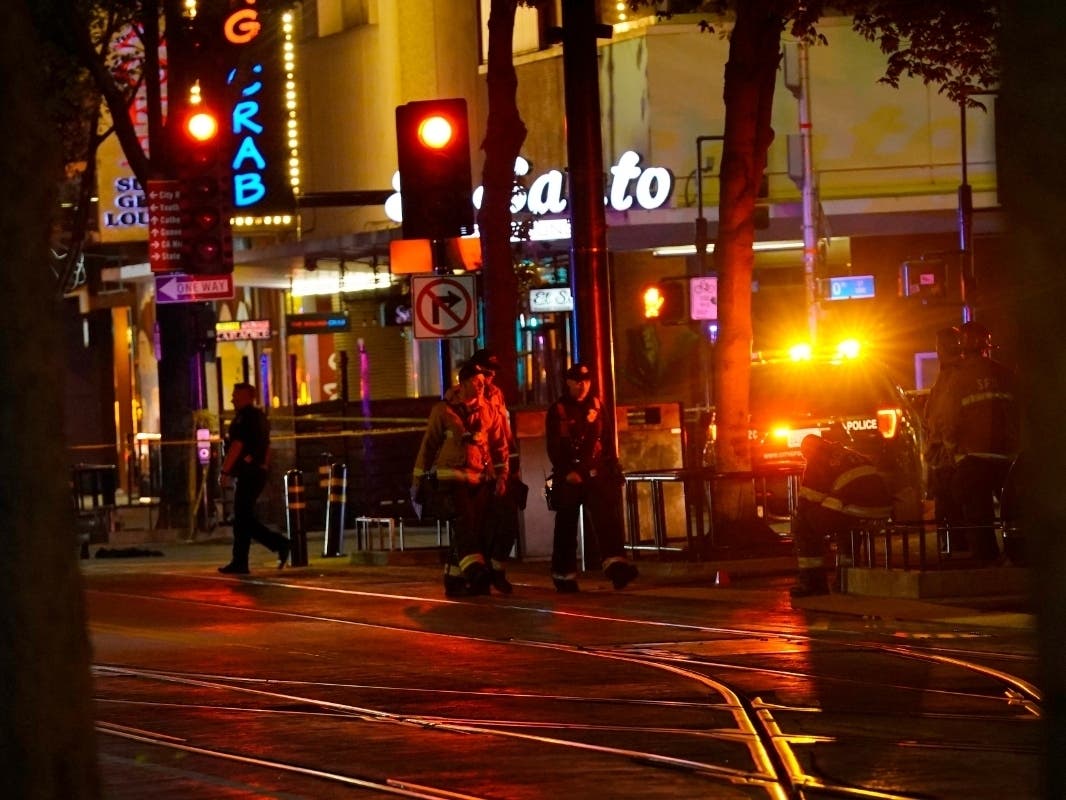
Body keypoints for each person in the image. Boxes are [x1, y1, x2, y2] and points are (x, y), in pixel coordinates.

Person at [413, 362, 509, 596]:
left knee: (476, 528)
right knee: (465, 523)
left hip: (478, 477)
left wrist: (502, 475)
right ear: (463, 382)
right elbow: (428, 446)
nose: (481, 386)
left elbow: (499, 445)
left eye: (483, 383)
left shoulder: (488, 411)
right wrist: (417, 481)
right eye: (476, 382)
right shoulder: (443, 411)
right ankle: (475, 571)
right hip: (451, 477)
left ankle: (454, 579)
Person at [545, 363, 638, 592]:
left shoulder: (597, 405)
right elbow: (554, 447)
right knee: (566, 527)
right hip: (570, 477)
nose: (582, 385)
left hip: (594, 474)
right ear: (568, 382)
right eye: (577, 381)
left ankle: (617, 568)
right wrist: (568, 472)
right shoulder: (558, 410)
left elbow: (605, 441)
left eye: (586, 381)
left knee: (607, 520)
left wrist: (610, 466)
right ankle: (563, 575)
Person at [942, 321, 1020, 563]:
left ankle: (987, 560)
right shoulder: (1006, 374)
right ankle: (1020, 555)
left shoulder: (958, 378)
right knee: (1015, 511)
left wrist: (952, 450)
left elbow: (948, 419)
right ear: (988, 344)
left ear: (962, 346)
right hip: (1008, 459)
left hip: (973, 458)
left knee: (978, 515)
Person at [791, 433, 892, 597]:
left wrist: (800, 518)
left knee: (803, 525)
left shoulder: (817, 458)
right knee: (844, 524)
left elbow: (809, 498)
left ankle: (812, 582)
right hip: (880, 510)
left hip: (853, 508)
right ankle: (846, 579)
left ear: (808, 451)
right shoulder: (850, 454)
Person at [218, 383, 290, 575]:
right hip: (255, 472)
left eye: (236, 395)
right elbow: (266, 445)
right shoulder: (259, 417)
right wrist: (263, 466)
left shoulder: (244, 419)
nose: (232, 399)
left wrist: (224, 472)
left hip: (248, 473)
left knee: (242, 518)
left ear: (247, 396)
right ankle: (241, 561)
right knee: (243, 518)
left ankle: (279, 544)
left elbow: (237, 446)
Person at [469, 348, 523, 593]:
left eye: (493, 373)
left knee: (508, 520)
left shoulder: (497, 395)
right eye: (485, 371)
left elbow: (504, 434)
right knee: (479, 525)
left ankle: (497, 567)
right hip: (476, 470)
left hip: (499, 468)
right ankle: (476, 575)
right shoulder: (466, 397)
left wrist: (511, 468)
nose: (490, 376)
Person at [923, 327, 962, 548]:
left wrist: (946, 446)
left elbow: (948, 414)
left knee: (952, 504)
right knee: (947, 504)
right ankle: (953, 546)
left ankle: (957, 547)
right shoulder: (946, 373)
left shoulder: (954, 374)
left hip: (949, 454)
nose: (937, 350)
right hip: (944, 453)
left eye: (939, 345)